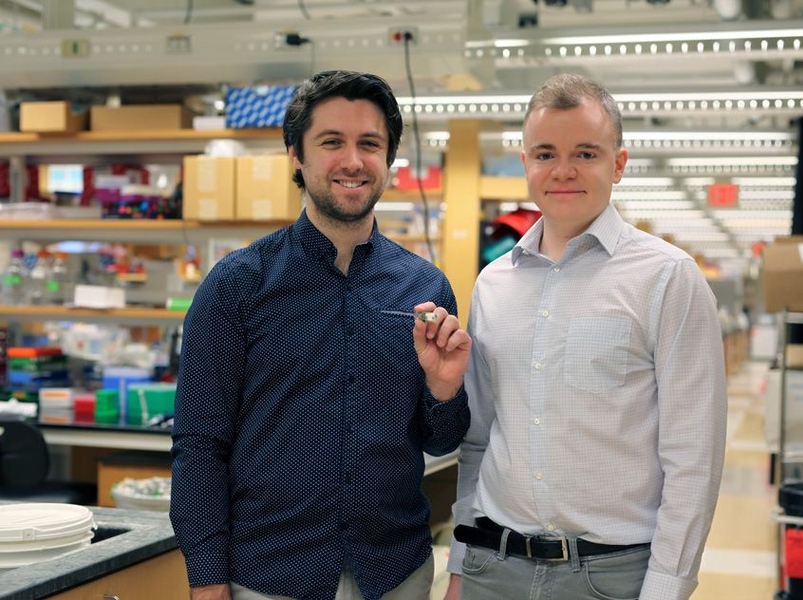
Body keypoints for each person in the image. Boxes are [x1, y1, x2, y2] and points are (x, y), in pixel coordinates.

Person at [170, 70, 471, 600]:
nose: (353, 161)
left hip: (396, 574)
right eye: (332, 142)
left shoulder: (425, 289)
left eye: (370, 144)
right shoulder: (238, 285)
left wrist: (444, 390)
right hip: (271, 577)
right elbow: (200, 444)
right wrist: (208, 578)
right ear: (296, 155)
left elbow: (441, 441)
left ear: (389, 159)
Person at [444, 73, 727, 600]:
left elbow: (694, 459)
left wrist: (665, 590)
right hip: (493, 569)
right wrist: (461, 565)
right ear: (525, 162)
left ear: (618, 164)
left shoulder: (668, 278)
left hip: (611, 578)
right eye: (545, 154)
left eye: (586, 153)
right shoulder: (493, 284)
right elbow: (478, 439)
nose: (563, 170)